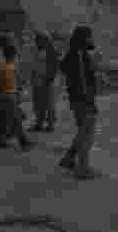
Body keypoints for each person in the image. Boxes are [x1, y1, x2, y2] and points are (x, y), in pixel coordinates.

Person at [58, 26, 100, 179]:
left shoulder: (75, 53)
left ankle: (69, 158)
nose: (91, 39)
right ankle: (83, 169)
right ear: (84, 38)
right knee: (87, 134)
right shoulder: (79, 55)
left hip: (77, 99)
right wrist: (89, 101)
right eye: (89, 36)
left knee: (83, 130)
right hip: (83, 99)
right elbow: (82, 81)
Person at [0, 42, 32, 150]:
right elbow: (14, 85)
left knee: (3, 120)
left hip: (2, 96)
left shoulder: (2, 67)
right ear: (13, 56)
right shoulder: (10, 68)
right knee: (16, 121)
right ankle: (24, 142)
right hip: (9, 96)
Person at [29, 33, 58, 132]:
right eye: (36, 40)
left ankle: (50, 125)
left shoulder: (51, 51)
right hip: (36, 80)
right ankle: (38, 123)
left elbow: (54, 67)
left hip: (47, 80)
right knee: (38, 103)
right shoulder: (35, 50)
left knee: (49, 104)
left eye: (39, 40)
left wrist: (48, 79)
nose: (37, 42)